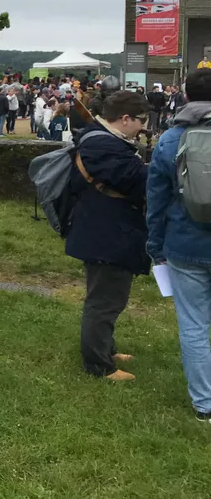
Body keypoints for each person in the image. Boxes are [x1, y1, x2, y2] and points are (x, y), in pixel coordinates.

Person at [64, 91, 150, 381]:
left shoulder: (102, 139)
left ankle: (106, 349)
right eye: (141, 121)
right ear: (125, 119)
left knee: (109, 296)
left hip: (104, 229)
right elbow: (138, 182)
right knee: (104, 301)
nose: (143, 127)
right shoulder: (104, 145)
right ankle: (99, 365)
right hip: (106, 232)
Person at [147, 69, 211, 421]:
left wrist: (156, 246)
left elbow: (155, 199)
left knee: (194, 325)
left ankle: (205, 403)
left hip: (185, 243)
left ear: (185, 96)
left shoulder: (171, 139)